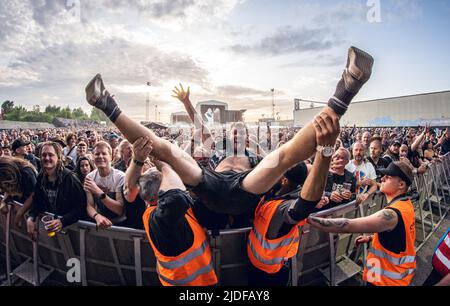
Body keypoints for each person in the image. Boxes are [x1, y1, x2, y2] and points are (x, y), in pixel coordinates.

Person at [85, 46, 374, 216]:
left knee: (284, 156)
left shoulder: (254, 154)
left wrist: (260, 148)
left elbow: (290, 161)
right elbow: (199, 129)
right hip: (210, 183)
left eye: (240, 132)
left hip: (246, 187)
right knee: (166, 150)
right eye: (232, 132)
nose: (235, 135)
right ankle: (106, 103)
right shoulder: (219, 148)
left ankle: (347, 87)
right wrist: (187, 103)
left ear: (246, 136)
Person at [247, 115, 339, 285]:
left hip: (271, 275)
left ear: (284, 180)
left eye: (278, 172)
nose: (271, 173)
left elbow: (303, 206)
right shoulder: (273, 192)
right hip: (254, 265)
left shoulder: (282, 207)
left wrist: (325, 150)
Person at [308, 160, 416, 286]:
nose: (383, 178)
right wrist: (371, 238)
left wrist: (309, 218)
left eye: (389, 176)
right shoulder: (405, 204)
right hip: (393, 277)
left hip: (386, 281)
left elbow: (346, 225)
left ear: (401, 184)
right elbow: (400, 235)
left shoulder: (392, 214)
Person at [131, 137, 218, 286]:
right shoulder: (161, 218)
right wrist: (166, 168)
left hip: (193, 280)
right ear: (161, 193)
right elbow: (177, 197)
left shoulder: (158, 211)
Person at [26, 142, 86, 239]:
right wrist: (31, 217)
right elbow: (37, 201)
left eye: (51, 155)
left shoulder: (69, 178)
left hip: (72, 230)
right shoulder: (41, 177)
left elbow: (82, 207)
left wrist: (63, 221)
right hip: (54, 230)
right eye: (43, 155)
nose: (46, 158)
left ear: (58, 157)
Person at [84, 141, 125, 229]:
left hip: (119, 224)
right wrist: (97, 216)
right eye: (97, 154)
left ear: (111, 157)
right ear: (93, 157)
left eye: (104, 153)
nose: (100, 156)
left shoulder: (120, 177)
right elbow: (89, 205)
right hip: (100, 222)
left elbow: (120, 210)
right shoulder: (90, 177)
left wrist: (99, 192)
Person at [0, 157, 37, 227]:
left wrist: (19, 214)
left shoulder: (26, 172)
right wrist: (4, 202)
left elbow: (34, 194)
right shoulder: (6, 175)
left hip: (35, 210)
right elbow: (8, 189)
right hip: (23, 207)